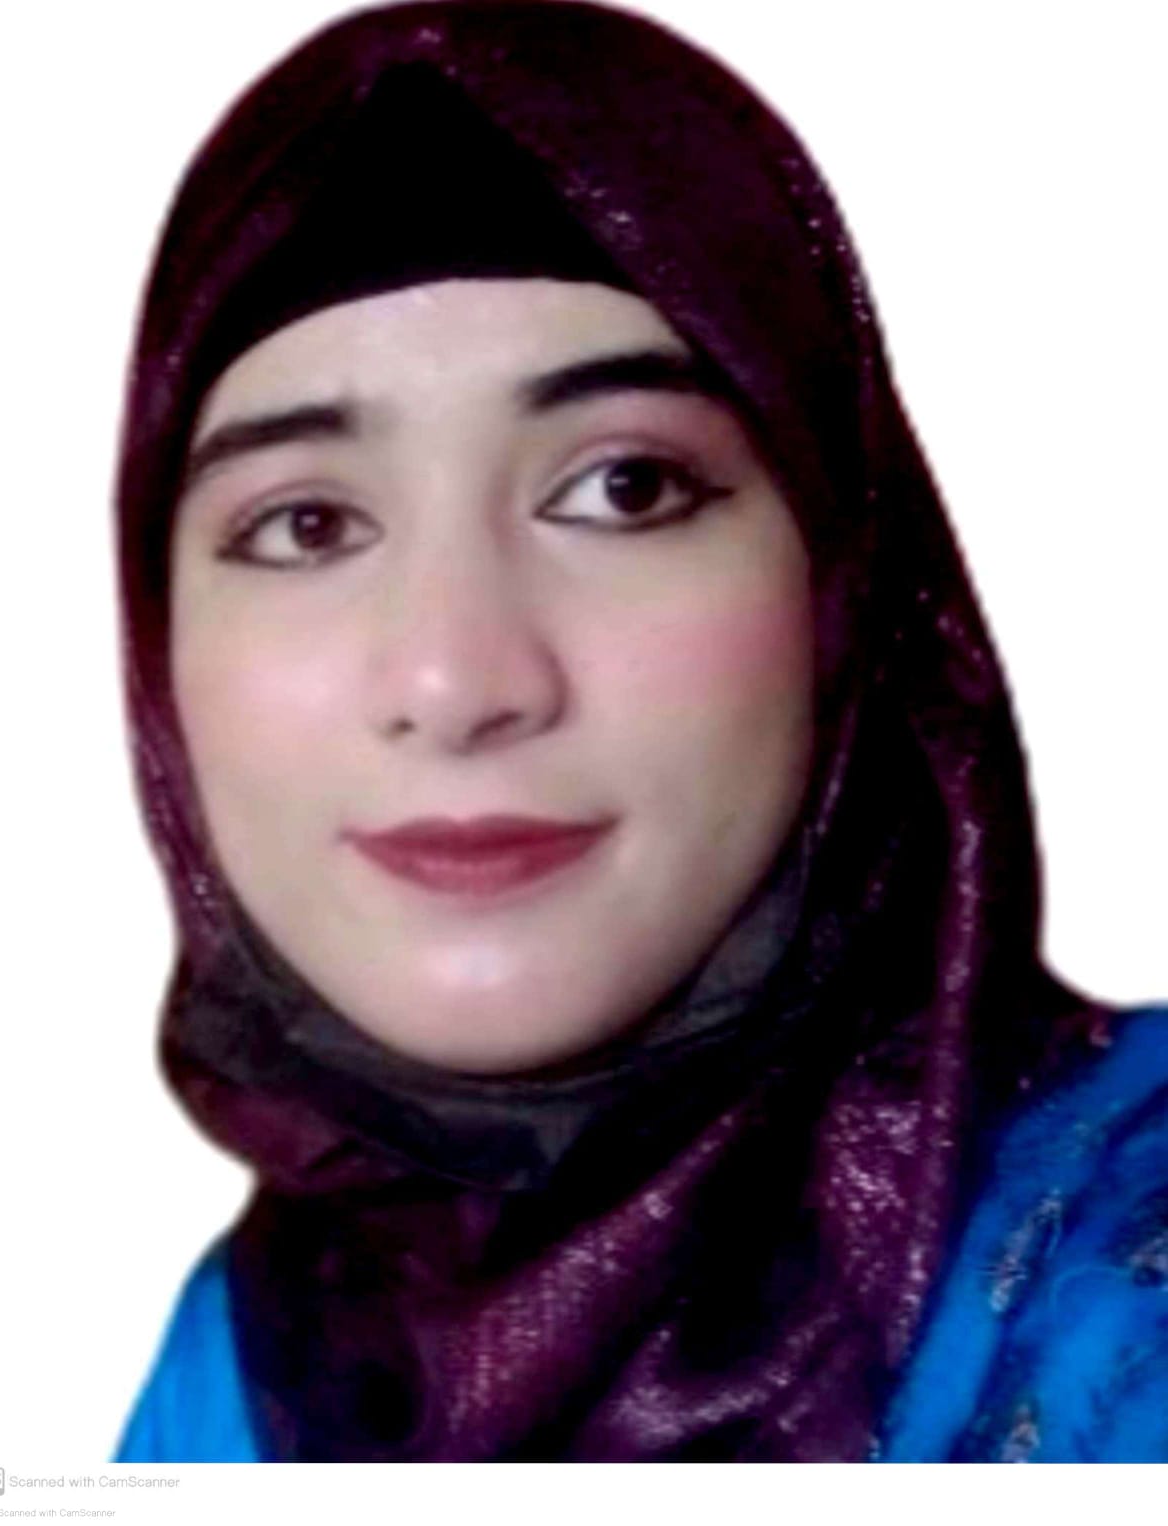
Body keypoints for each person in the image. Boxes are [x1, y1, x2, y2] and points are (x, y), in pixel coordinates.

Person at [112, 0, 1166, 1462]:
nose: (457, 677)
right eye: (306, 524)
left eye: (627, 488)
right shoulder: (256, 1338)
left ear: (848, 594)